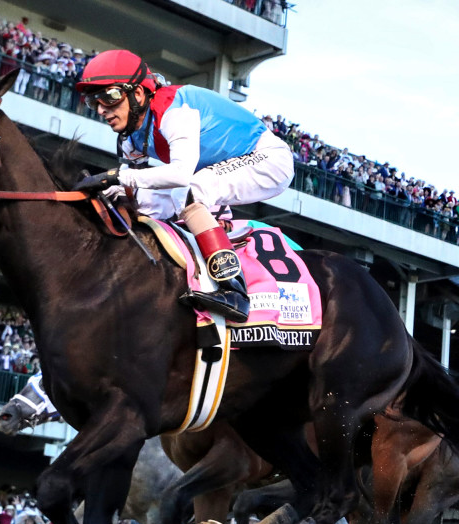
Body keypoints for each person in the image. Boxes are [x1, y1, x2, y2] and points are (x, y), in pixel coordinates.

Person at [72, 49, 295, 323]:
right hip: (219, 168)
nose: (102, 109)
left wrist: (119, 176)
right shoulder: (130, 136)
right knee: (144, 200)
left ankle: (234, 290)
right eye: (94, 101)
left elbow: (179, 175)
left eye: (110, 97)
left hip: (268, 158)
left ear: (138, 94)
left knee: (193, 191)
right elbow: (139, 190)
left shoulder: (174, 110)